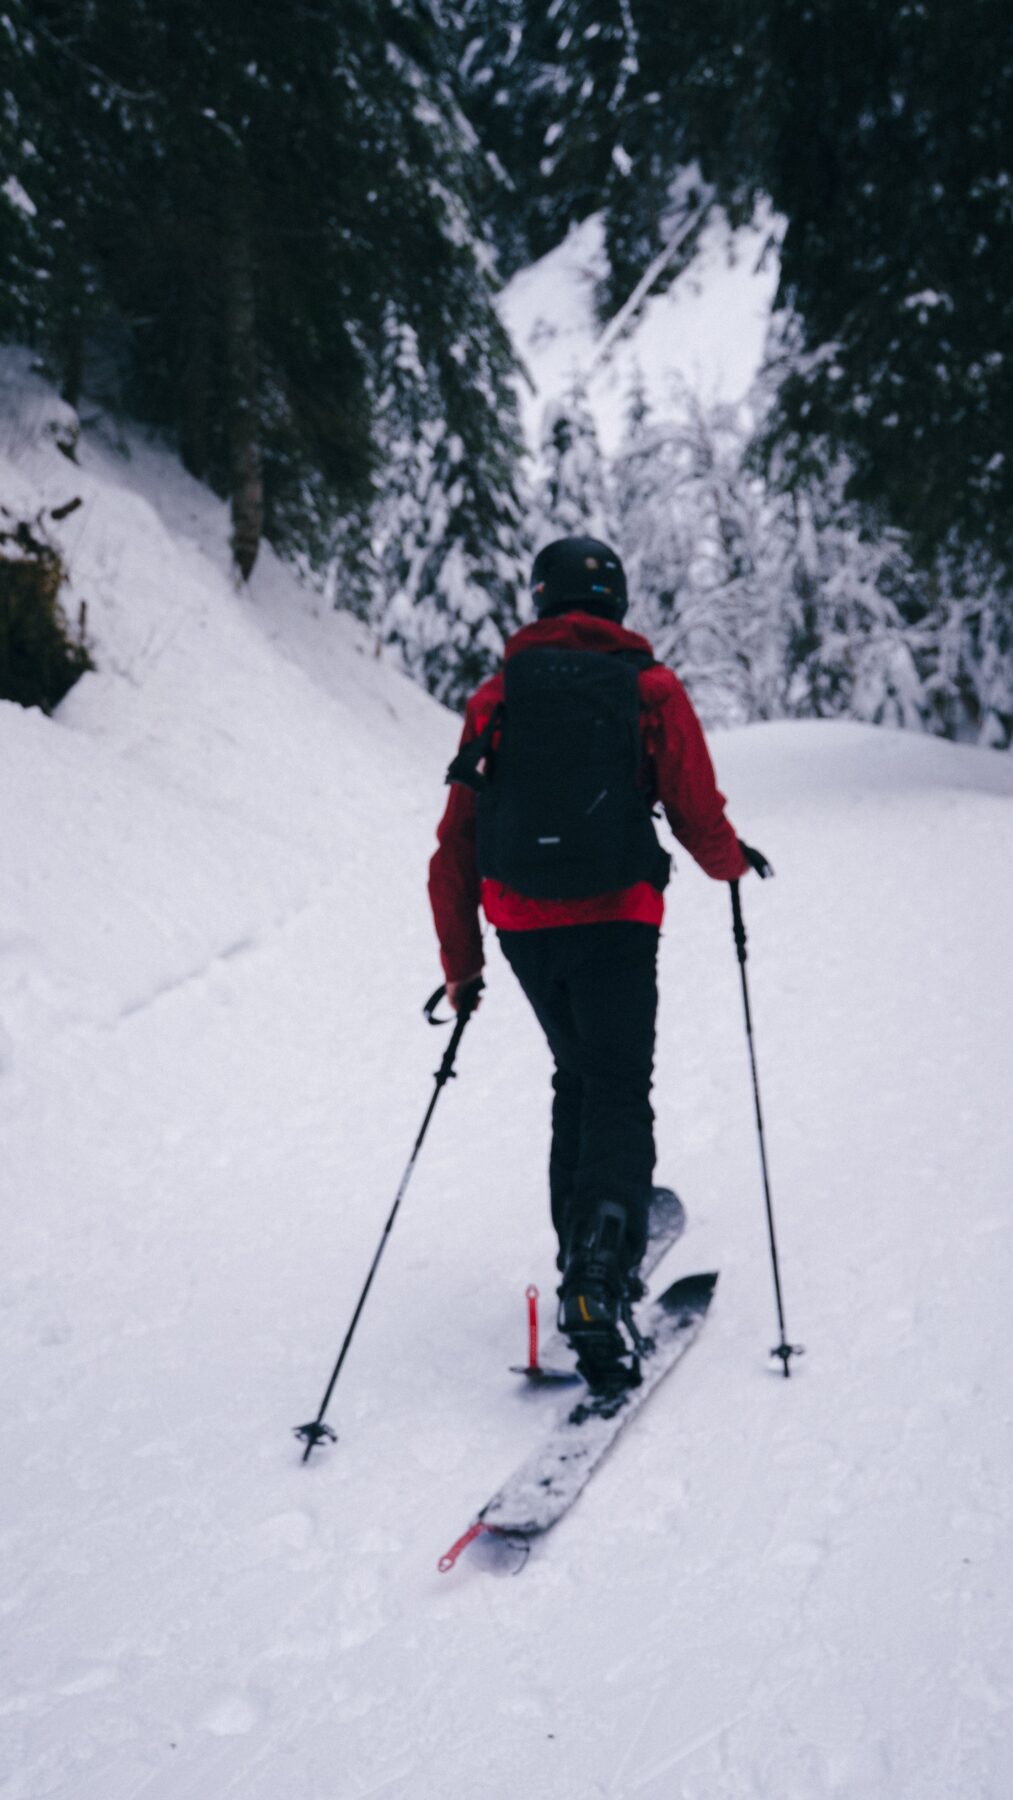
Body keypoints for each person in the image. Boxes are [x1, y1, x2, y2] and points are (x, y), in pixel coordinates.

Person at [428, 535, 770, 1389]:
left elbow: (455, 847)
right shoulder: (648, 688)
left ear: (541, 600)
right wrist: (731, 862)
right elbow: (694, 809)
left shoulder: (494, 698)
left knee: (575, 1076)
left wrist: (461, 968)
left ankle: (580, 1246)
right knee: (617, 1086)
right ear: (614, 600)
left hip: (518, 920)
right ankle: (598, 1273)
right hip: (616, 915)